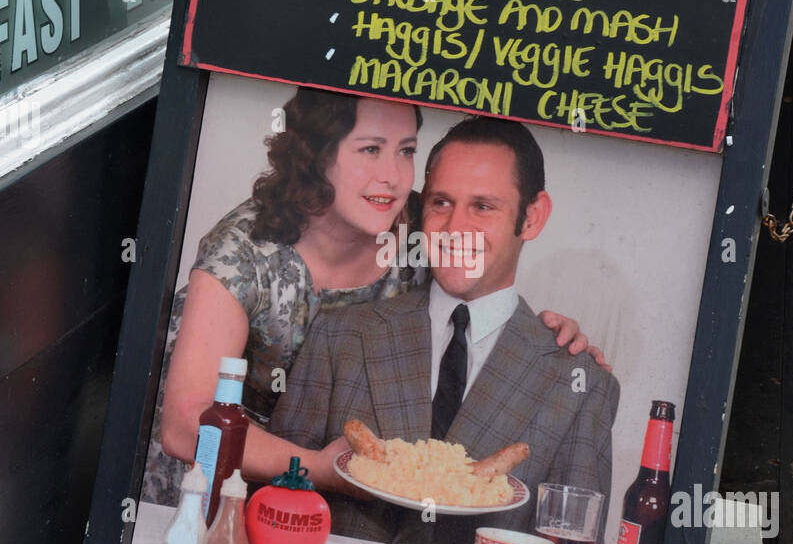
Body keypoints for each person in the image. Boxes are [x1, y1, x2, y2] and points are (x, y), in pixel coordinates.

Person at [142, 89, 607, 507]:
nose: (392, 176)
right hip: (211, 474)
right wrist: (317, 467)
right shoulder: (245, 249)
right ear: (316, 157)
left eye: (405, 151)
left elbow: (487, 257)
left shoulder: (421, 217)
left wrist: (547, 341)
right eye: (370, 149)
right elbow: (186, 425)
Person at [268, 115, 621, 544]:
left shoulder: (579, 384)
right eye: (441, 202)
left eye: (483, 207)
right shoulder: (341, 335)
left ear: (531, 217)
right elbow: (276, 498)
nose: (455, 227)